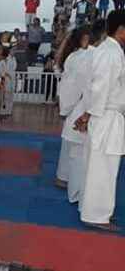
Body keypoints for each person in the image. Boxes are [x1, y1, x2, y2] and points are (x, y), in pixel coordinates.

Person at [75, 10, 125, 231]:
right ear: (121, 29)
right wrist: (89, 113)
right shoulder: (111, 53)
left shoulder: (111, 51)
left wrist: (88, 113)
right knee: (103, 166)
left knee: (99, 164)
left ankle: (93, 210)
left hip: (105, 114)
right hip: (106, 116)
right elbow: (100, 87)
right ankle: (95, 214)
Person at [54, 26, 94, 196]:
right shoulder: (85, 56)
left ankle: (63, 177)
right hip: (80, 106)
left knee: (70, 147)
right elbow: (77, 85)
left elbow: (60, 68)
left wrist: (66, 105)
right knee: (78, 151)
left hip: (75, 105)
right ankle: (75, 189)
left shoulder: (73, 56)